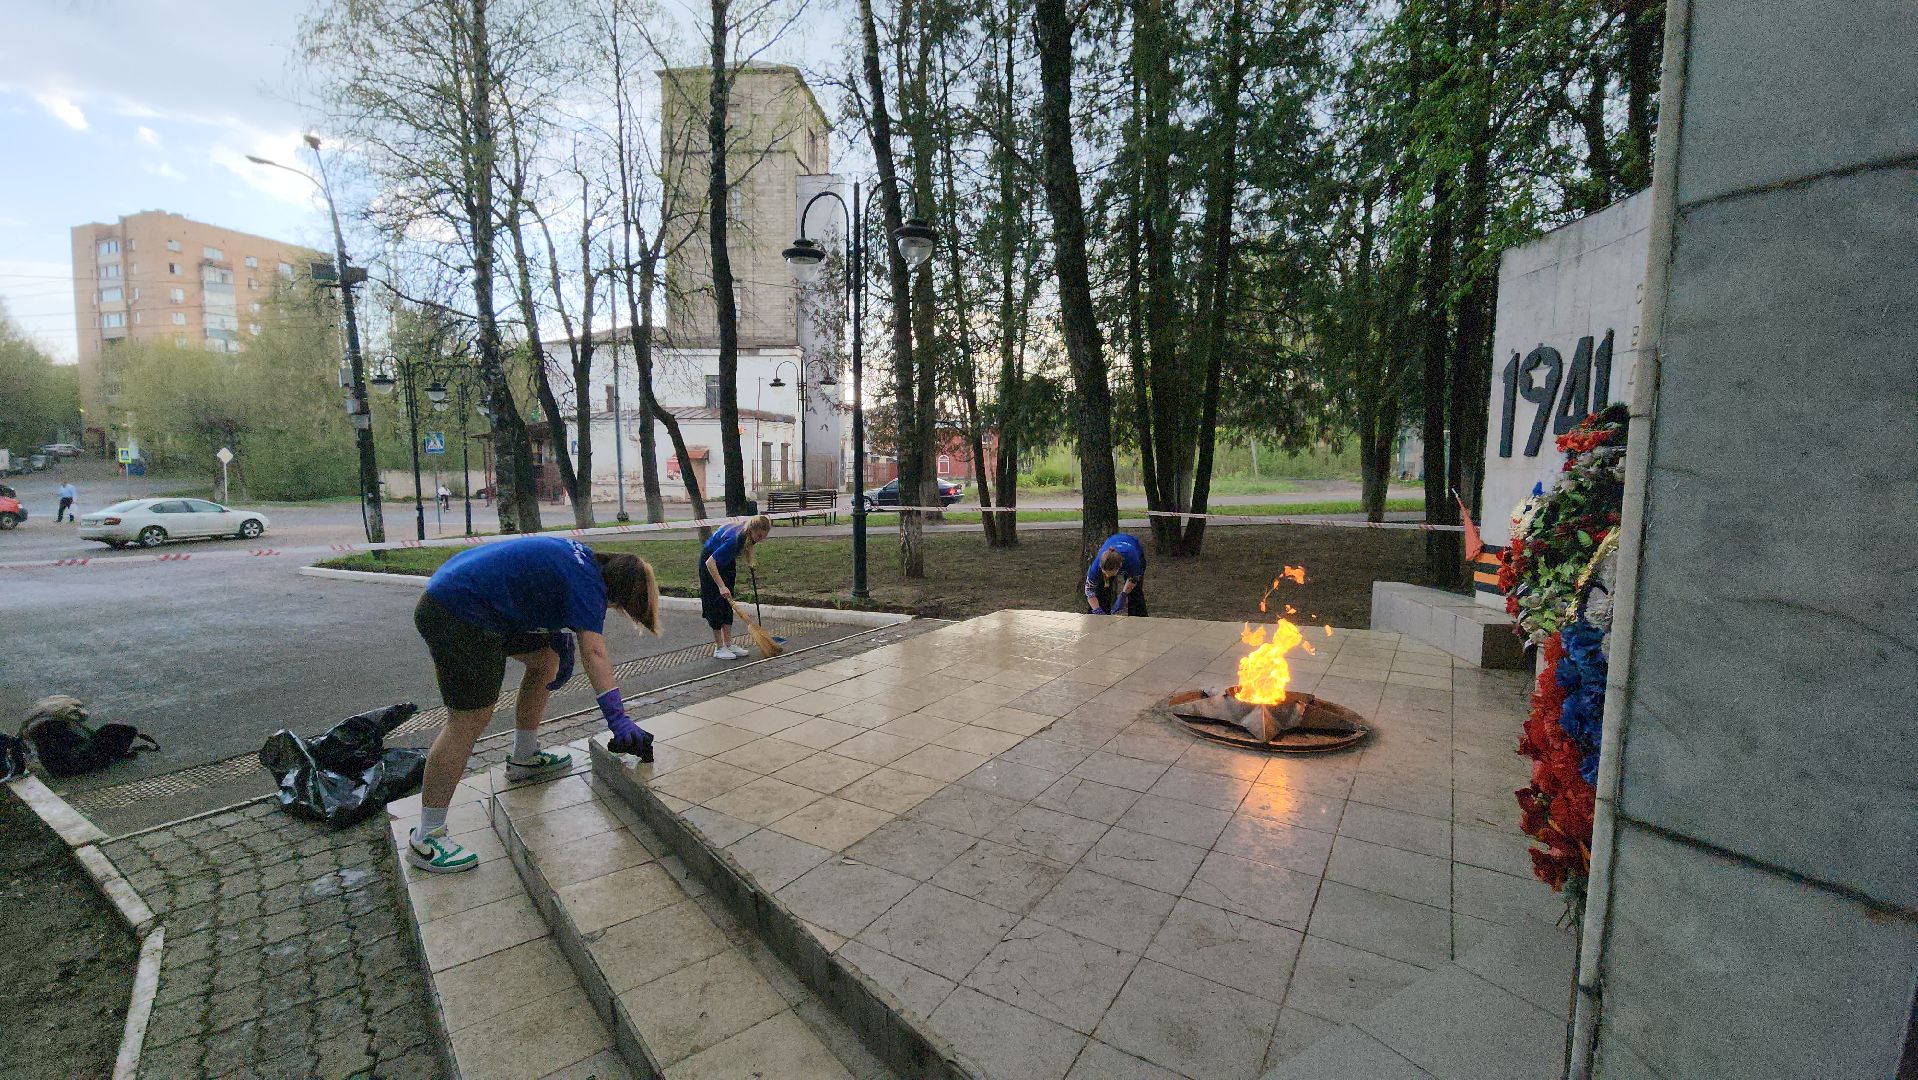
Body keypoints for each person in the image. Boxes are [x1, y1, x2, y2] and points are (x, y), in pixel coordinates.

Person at [408, 535, 661, 874]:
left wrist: (555, 634)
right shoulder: (588, 583)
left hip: (463, 593)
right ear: (620, 592)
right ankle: (427, 836)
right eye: (620, 606)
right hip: (457, 609)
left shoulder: (583, 561)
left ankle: (524, 758)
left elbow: (534, 584)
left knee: (545, 659)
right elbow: (596, 653)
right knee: (468, 719)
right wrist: (618, 719)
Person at [700, 514, 772, 660]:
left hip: (726, 563)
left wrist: (750, 561)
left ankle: (728, 644)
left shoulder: (748, 531)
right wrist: (721, 586)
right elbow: (710, 563)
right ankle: (719, 648)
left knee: (728, 604)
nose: (760, 539)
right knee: (716, 604)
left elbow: (747, 545)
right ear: (752, 530)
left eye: (763, 537)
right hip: (710, 564)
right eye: (759, 536)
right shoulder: (735, 540)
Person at [1085, 532, 1147, 616]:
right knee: (1101, 589)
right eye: (1105, 573)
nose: (1107, 576)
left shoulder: (1133, 560)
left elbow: (1133, 579)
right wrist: (1097, 610)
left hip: (1133, 547)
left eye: (1110, 574)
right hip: (1113, 541)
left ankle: (1138, 621)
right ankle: (1099, 620)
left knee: (1135, 592)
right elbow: (1089, 590)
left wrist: (1123, 594)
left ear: (1119, 567)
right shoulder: (1096, 566)